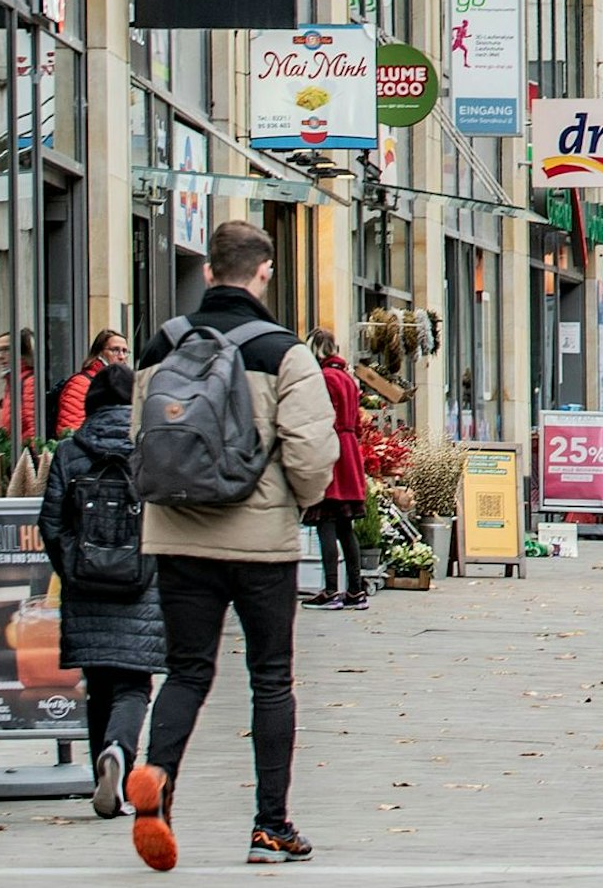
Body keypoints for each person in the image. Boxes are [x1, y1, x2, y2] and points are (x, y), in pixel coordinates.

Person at [126, 220, 340, 869]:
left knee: (187, 670)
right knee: (270, 679)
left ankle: (158, 777)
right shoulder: (285, 352)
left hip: (177, 535)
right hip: (261, 543)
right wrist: (297, 502)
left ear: (209, 271)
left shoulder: (162, 344)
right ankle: (270, 827)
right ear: (264, 272)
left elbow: (140, 436)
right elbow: (311, 452)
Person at [37, 365, 165, 822]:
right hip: (141, 587)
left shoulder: (69, 451)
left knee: (99, 686)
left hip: (86, 585)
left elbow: (51, 523)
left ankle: (102, 779)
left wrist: (72, 568)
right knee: (134, 684)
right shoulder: (150, 447)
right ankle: (118, 751)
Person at [300, 329, 370, 611]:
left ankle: (330, 590)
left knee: (326, 520)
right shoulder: (348, 379)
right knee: (344, 525)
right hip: (349, 450)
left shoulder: (324, 378)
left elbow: (319, 418)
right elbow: (357, 422)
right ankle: (355, 589)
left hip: (331, 449)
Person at [55, 329, 131, 435]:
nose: (122, 356)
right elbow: (69, 431)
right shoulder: (80, 384)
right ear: (100, 353)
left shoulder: (122, 384)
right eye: (115, 350)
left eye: (125, 351)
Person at [0, 329, 38, 443]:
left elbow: (34, 428)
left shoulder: (29, 381)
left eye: (6, 349)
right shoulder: (11, 382)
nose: (0, 356)